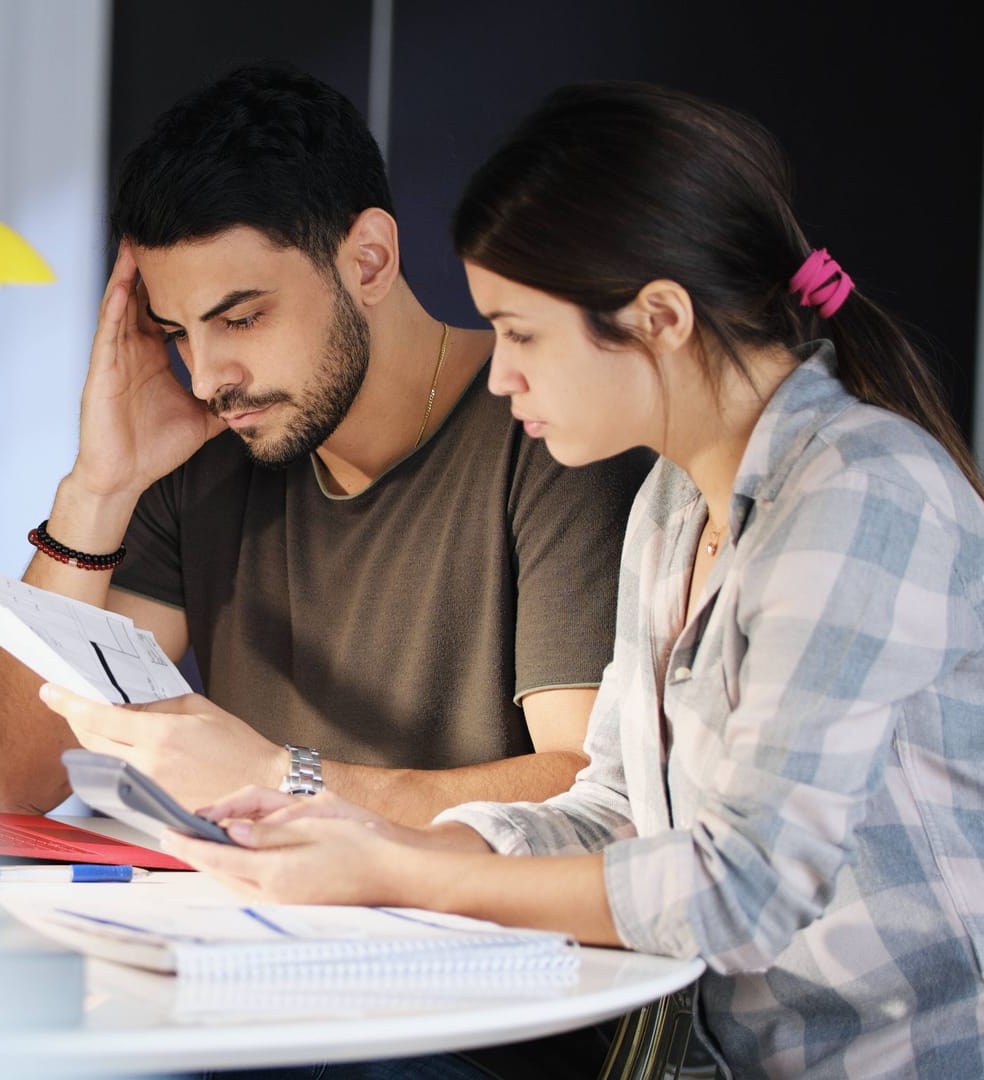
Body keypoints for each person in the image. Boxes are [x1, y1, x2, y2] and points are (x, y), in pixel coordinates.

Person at [129, 82, 984, 1078]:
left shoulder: (863, 493)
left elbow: (744, 889)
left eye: (523, 333)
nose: (501, 375)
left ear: (657, 318)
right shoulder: (674, 504)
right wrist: (358, 840)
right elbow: (613, 809)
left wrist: (406, 873)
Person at [0, 64, 651, 825]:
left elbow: (587, 790)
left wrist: (279, 777)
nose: (205, 379)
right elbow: (17, 782)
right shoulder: (205, 444)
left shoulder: (550, 427)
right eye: (175, 334)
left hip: (468, 937)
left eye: (241, 318)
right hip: (249, 930)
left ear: (368, 261)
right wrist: (96, 491)